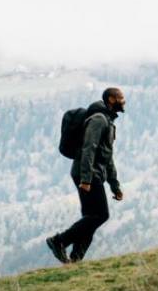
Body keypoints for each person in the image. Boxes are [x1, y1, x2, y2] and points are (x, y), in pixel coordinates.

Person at [47, 88, 125, 263]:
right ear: (111, 100)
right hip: (87, 174)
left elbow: (107, 157)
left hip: (93, 173)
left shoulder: (108, 121)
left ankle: (76, 259)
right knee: (101, 215)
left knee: (91, 217)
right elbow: (88, 149)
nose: (124, 101)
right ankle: (59, 241)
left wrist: (115, 185)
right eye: (121, 98)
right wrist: (86, 179)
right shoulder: (99, 120)